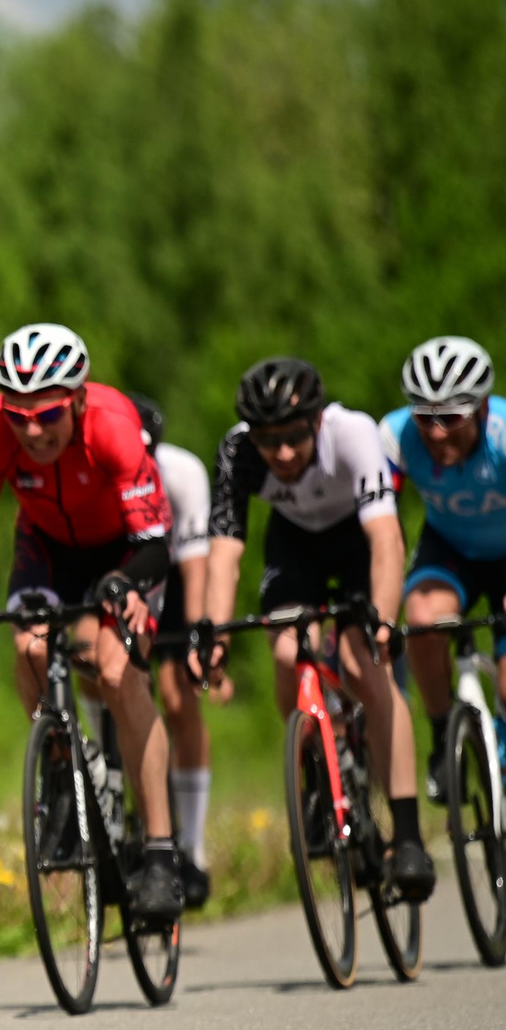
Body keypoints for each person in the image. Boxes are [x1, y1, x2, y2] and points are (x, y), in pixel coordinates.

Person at [0, 325, 186, 921]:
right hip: (45, 546)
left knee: (117, 673)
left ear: (78, 399)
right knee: (31, 649)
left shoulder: (114, 426)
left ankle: (161, 852)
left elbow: (154, 544)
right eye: (19, 417)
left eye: (46, 414)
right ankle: (64, 773)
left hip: (125, 553)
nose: (33, 432)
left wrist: (125, 583)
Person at [197, 356, 436, 902]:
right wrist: (215, 637)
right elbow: (225, 553)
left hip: (358, 543)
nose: (282, 453)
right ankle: (315, 775)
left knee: (362, 665)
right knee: (287, 653)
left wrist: (383, 621)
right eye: (268, 441)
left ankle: (408, 835)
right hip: (295, 545)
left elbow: (385, 538)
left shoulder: (352, 434)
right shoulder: (237, 452)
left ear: (316, 422)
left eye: (294, 438)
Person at [382, 337, 506, 801]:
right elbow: (382, 529)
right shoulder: (395, 436)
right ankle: (441, 737)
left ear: (481, 409)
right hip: (450, 548)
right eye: (424, 417)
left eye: (450, 418)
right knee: (421, 621)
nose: (435, 433)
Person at [132, 392, 226, 909]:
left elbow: (195, 566)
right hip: (127, 576)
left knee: (177, 696)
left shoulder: (181, 473)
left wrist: (195, 638)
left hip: (170, 577)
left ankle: (191, 845)